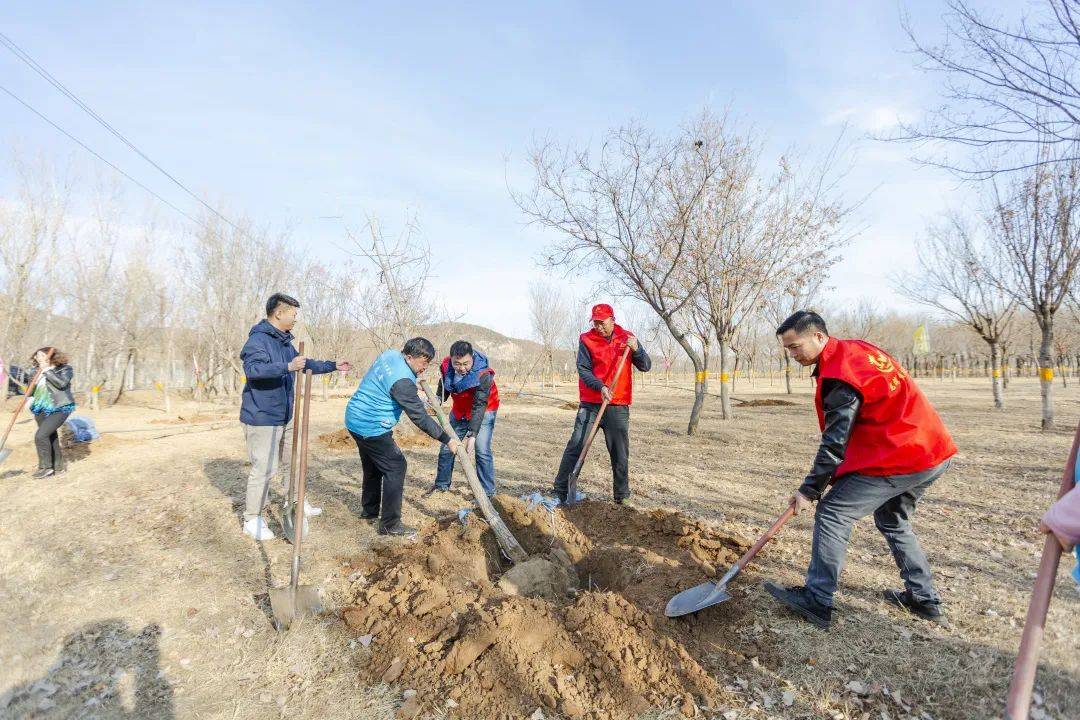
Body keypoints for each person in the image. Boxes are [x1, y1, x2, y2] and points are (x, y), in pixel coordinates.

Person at [765, 310, 957, 629]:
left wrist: (809, 491)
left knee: (833, 513)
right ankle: (924, 599)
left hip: (904, 453)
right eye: (788, 349)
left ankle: (818, 599)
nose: (793, 354)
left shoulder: (840, 375)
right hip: (931, 449)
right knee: (893, 520)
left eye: (795, 347)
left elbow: (834, 443)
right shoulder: (855, 349)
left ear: (818, 336)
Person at [239, 293, 352, 541]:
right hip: (263, 415)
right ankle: (252, 518)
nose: (296, 319)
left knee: (295, 459)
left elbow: (303, 363)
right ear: (278, 313)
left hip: (286, 413)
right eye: (293, 314)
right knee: (265, 468)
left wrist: (333, 365)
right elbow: (253, 370)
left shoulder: (284, 342)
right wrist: (287, 367)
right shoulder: (258, 340)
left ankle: (296, 502)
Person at [345, 337, 461, 537]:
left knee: (373, 465)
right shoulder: (403, 383)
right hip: (371, 426)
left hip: (354, 417)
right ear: (409, 357)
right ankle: (390, 525)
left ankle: (369, 510)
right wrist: (447, 439)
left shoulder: (390, 355)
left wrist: (415, 389)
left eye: (428, 362)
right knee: (396, 466)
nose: (425, 367)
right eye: (423, 362)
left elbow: (394, 381)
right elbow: (420, 417)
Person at [553, 303, 651, 504]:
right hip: (591, 403)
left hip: (618, 404)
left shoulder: (627, 338)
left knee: (619, 451)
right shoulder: (586, 340)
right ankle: (561, 490)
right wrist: (601, 387)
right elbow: (583, 370)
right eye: (595, 322)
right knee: (576, 444)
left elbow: (646, 366)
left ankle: (621, 496)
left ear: (612, 320)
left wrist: (638, 350)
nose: (598, 327)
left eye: (602, 322)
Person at [432, 340, 500, 496]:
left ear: (472, 358)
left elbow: (480, 404)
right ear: (451, 359)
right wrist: (438, 398)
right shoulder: (446, 366)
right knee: (447, 446)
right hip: (460, 410)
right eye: (457, 364)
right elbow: (445, 385)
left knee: (481, 450)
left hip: (484, 410)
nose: (461, 368)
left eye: (466, 364)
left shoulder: (483, 374)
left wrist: (473, 435)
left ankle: (487, 492)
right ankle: (441, 485)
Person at [28, 347, 75, 478]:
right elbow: (30, 392)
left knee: (40, 436)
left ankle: (45, 467)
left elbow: (62, 384)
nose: (38, 358)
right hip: (40, 408)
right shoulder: (34, 371)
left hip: (60, 407)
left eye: (42, 355)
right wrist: (33, 382)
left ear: (50, 356)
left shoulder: (64, 369)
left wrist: (47, 370)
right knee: (50, 436)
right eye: (37, 356)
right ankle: (58, 467)